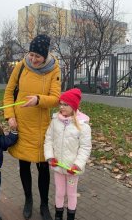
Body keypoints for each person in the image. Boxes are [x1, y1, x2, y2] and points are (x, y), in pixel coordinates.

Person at [3, 34, 61, 220]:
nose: (33, 59)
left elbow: (56, 98)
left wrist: (38, 100)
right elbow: (8, 93)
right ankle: (28, 199)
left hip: (42, 128)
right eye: (31, 54)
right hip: (21, 124)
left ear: (45, 55)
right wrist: (10, 116)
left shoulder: (54, 70)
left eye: (38, 56)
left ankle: (44, 204)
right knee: (24, 164)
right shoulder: (21, 66)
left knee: (43, 168)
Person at [44, 88, 92, 220]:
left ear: (74, 106)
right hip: (58, 166)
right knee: (59, 192)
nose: (62, 107)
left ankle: (71, 216)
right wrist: (50, 156)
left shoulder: (83, 126)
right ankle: (58, 216)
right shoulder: (55, 121)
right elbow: (48, 139)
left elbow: (85, 148)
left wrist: (77, 165)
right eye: (61, 103)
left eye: (66, 104)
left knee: (71, 194)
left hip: (72, 169)